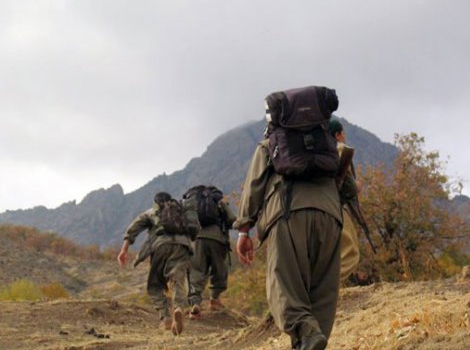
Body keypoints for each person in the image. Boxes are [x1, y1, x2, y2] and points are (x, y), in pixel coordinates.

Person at [234, 87, 343, 350]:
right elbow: (349, 187)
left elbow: (254, 187)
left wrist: (243, 230)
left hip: (287, 215)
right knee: (323, 292)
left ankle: (306, 332)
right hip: (330, 218)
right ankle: (311, 340)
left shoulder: (270, 145)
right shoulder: (328, 145)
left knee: (283, 284)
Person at [117, 192, 194, 335]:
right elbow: (194, 228)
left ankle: (165, 318)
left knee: (155, 285)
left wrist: (124, 250)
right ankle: (178, 307)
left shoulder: (152, 212)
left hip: (161, 246)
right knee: (177, 279)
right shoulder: (181, 211)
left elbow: (133, 229)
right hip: (182, 246)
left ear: (156, 202)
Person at [185, 185, 237, 319]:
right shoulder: (218, 201)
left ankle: (195, 305)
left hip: (197, 239)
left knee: (196, 271)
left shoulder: (193, 204)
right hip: (217, 239)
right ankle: (215, 300)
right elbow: (231, 220)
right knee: (218, 269)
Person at [329, 119, 361, 281]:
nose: (345, 136)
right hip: (334, 206)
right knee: (350, 253)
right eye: (343, 133)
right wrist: (355, 185)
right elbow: (350, 188)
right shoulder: (339, 150)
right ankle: (325, 289)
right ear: (337, 135)